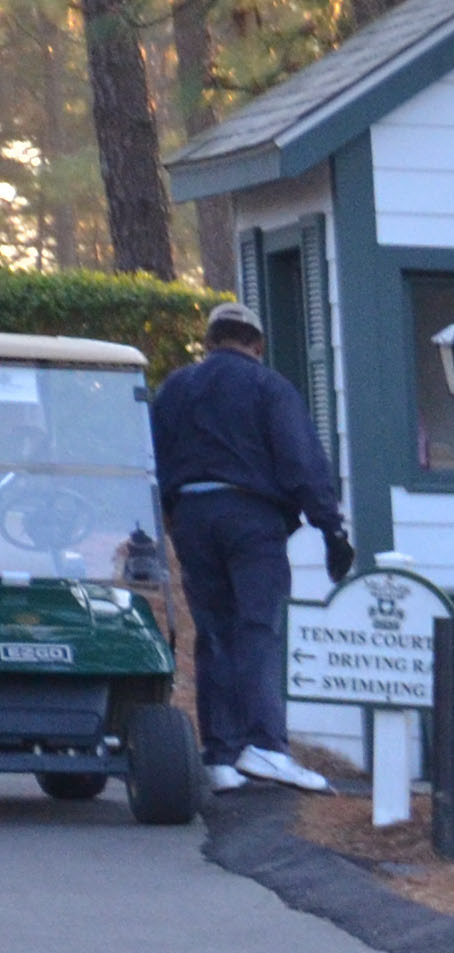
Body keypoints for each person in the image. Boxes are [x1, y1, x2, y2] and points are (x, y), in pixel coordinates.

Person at [145, 300, 352, 795]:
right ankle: (266, 746)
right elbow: (301, 462)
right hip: (252, 517)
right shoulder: (269, 387)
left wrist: (164, 518)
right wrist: (331, 530)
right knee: (258, 627)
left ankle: (221, 755)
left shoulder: (175, 388)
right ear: (257, 345)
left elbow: (149, 455)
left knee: (214, 634)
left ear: (210, 341)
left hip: (191, 516)